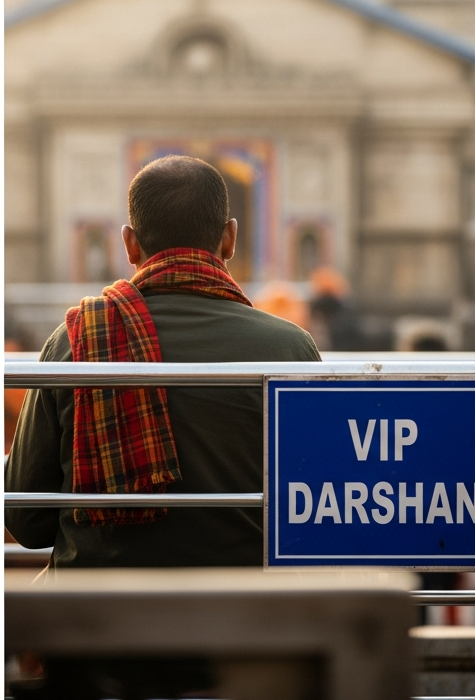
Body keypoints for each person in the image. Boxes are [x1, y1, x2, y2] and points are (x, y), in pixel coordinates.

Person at [5, 155, 321, 567]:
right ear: (229, 239)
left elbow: (26, 521)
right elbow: (319, 509)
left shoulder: (74, 342)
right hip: (250, 616)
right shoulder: (291, 349)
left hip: (94, 618)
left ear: (129, 244)